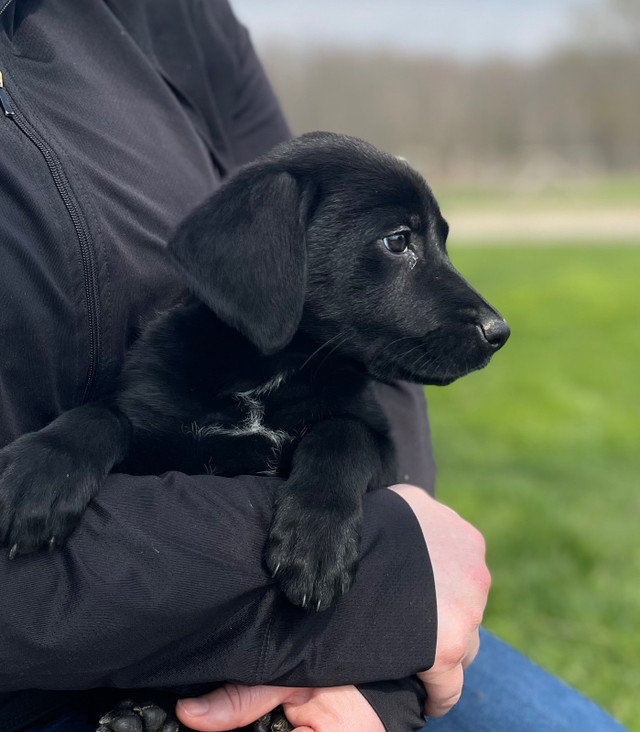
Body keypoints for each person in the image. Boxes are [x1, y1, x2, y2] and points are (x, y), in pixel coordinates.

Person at [0, 3, 628, 732]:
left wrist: (385, 681)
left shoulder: (161, 12)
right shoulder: (173, 367)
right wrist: (385, 595)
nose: (482, 314)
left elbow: (374, 415)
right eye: (401, 242)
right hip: (85, 674)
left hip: (348, 630)